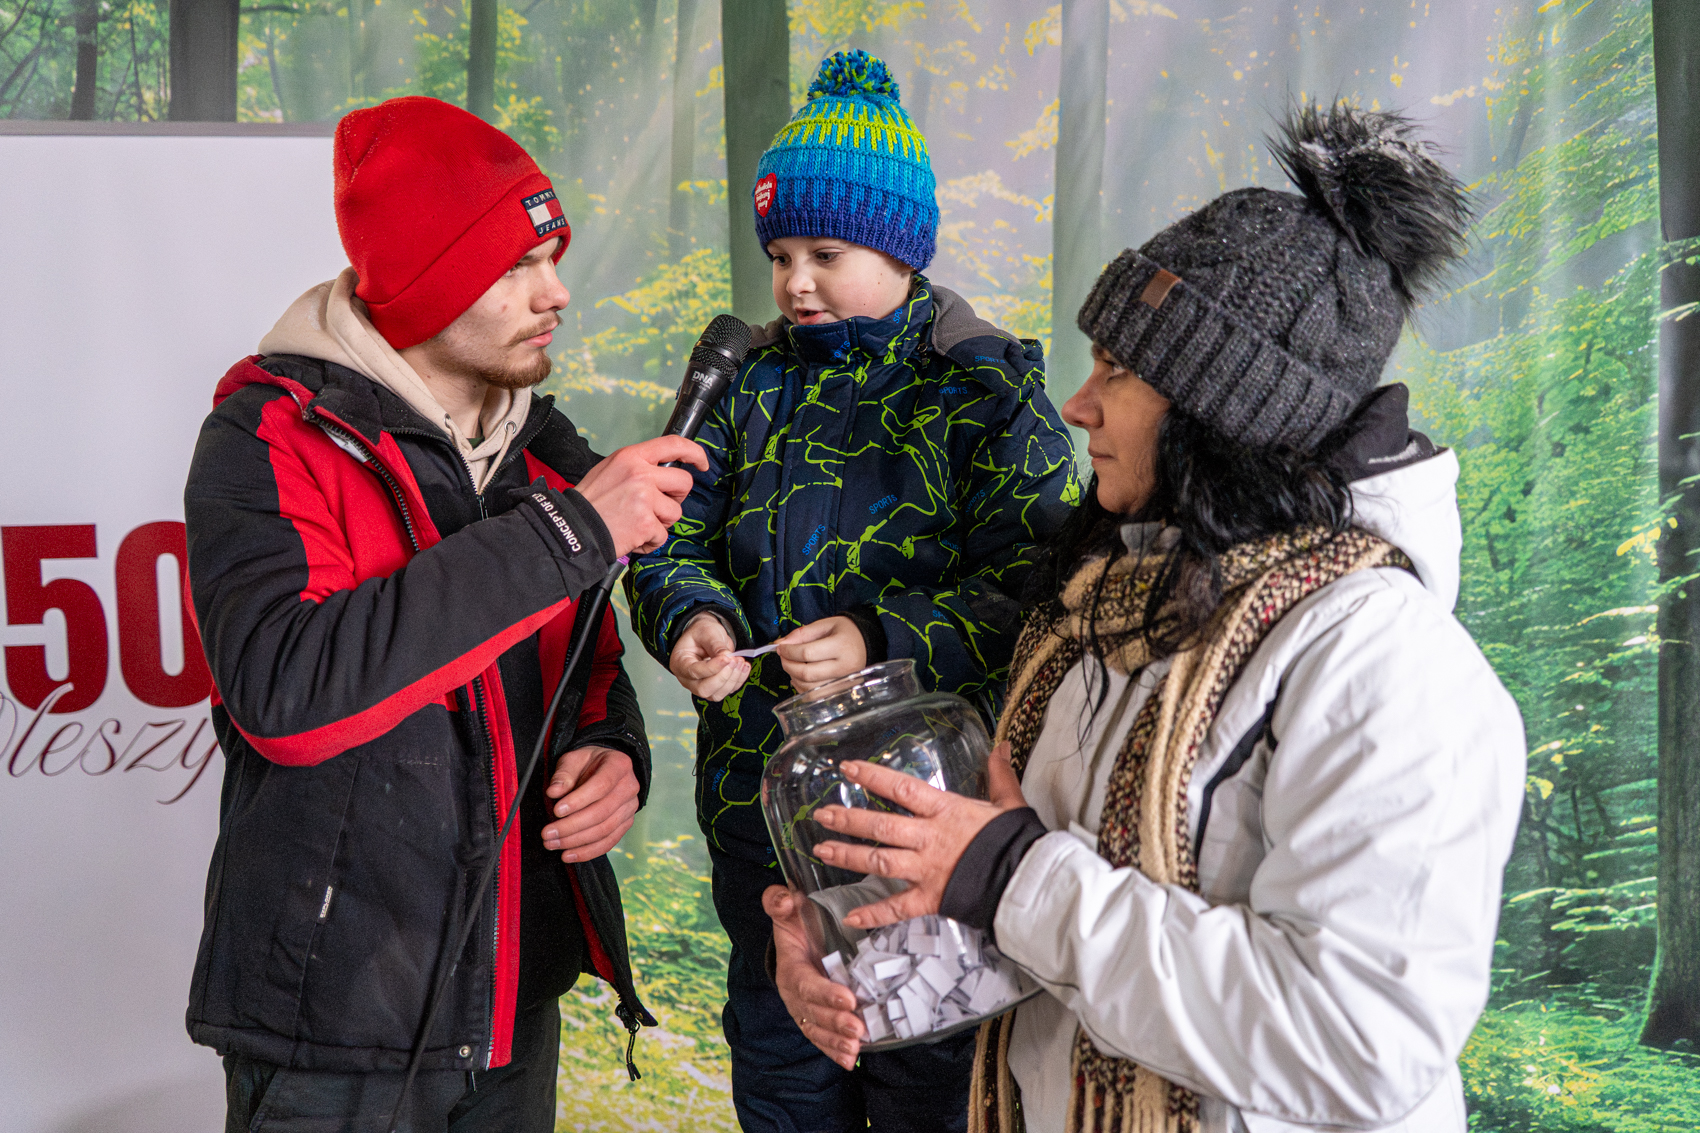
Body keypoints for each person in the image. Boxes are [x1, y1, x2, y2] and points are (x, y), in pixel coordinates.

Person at [778, 102, 1528, 1133]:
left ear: (1225, 411)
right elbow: (1037, 929)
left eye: (1118, 374)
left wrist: (1007, 872)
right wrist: (849, 943)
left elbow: (1361, 1041)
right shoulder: (1104, 605)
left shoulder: (1383, 661)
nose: (1076, 405)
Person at [183, 96, 706, 1133]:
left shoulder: (547, 449)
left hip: (512, 1019)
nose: (555, 291)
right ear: (422, 281)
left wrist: (613, 754)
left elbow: (584, 671)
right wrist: (564, 536)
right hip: (326, 1037)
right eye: (516, 265)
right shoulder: (268, 437)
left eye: (553, 256)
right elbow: (289, 695)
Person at [624, 50, 1079, 1133]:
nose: (793, 282)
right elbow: (660, 534)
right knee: (783, 1079)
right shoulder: (743, 386)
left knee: (929, 1082)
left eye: (825, 252)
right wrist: (692, 621)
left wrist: (885, 636)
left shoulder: (981, 387)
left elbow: (1034, 583)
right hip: (761, 830)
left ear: (900, 246)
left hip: (921, 831)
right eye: (778, 253)